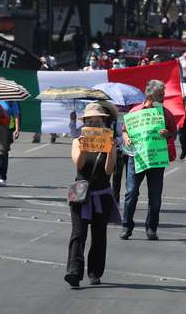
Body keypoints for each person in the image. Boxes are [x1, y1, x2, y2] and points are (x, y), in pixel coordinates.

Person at [65, 103, 121, 288]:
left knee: (99, 236)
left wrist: (110, 151)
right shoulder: (77, 140)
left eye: (98, 121)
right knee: (78, 234)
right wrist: (82, 147)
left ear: (103, 122)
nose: (94, 124)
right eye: (90, 121)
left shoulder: (109, 140)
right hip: (81, 192)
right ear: (85, 123)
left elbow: (108, 171)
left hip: (101, 193)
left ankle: (95, 272)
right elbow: (79, 166)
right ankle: (74, 271)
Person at [120, 80, 177, 240]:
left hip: (157, 160)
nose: (163, 97)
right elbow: (124, 131)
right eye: (160, 95)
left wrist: (168, 134)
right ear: (150, 95)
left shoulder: (165, 113)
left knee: (155, 196)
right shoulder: (135, 111)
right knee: (131, 193)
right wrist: (126, 138)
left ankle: (151, 228)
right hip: (136, 158)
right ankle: (126, 226)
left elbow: (174, 133)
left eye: (163, 94)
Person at [0, 100, 21, 187]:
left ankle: (2, 177)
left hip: (6, 130)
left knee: (3, 154)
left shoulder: (13, 102)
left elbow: (16, 115)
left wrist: (17, 129)